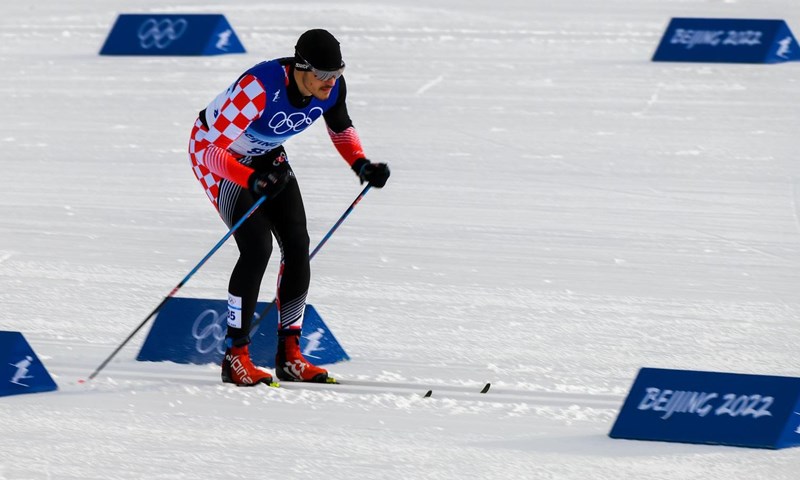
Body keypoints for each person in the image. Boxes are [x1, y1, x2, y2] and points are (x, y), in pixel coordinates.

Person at [187, 29, 390, 386]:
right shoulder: (259, 87)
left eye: (337, 74)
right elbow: (210, 152)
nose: (331, 83)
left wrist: (361, 164)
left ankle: (289, 355)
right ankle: (235, 356)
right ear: (301, 68)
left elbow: (341, 128)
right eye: (324, 75)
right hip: (218, 158)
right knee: (256, 247)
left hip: (266, 155)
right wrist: (249, 180)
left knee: (297, 245)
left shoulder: (332, 88)